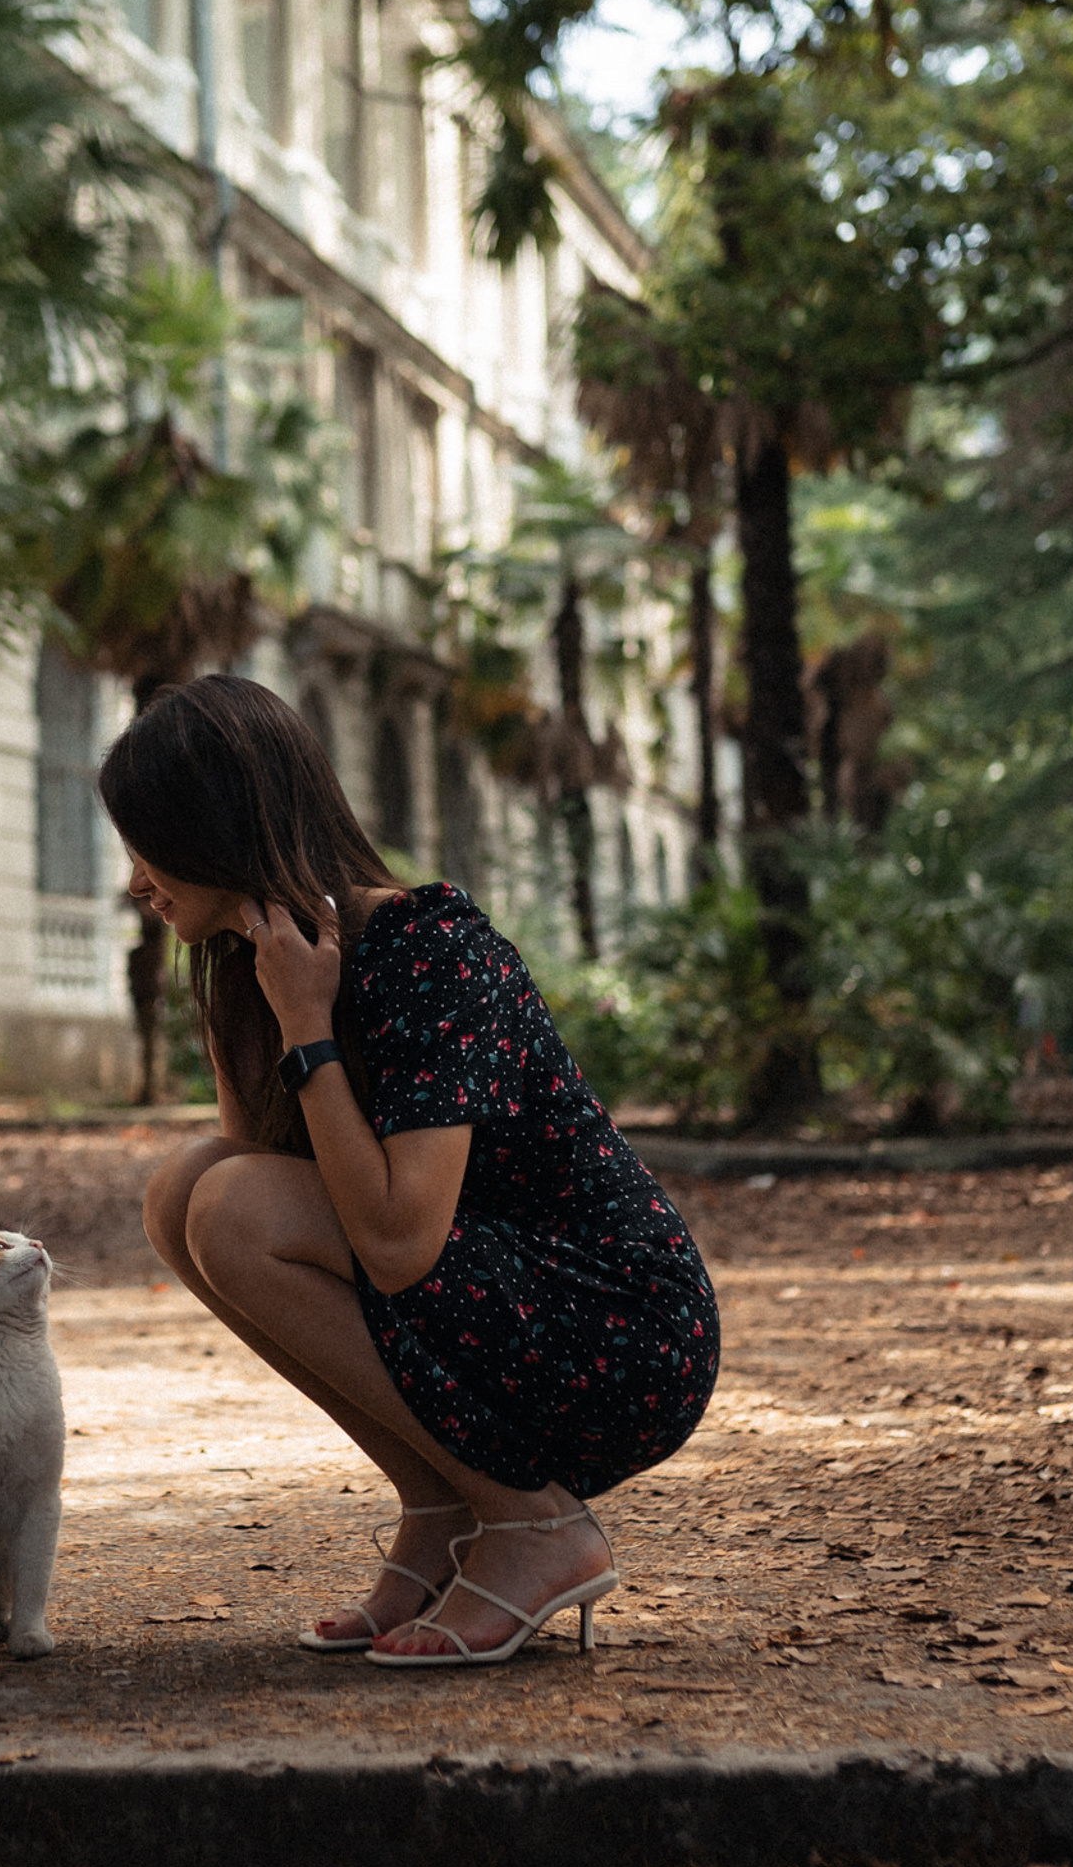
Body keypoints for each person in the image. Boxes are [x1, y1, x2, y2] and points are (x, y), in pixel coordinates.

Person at [102, 674, 720, 1665]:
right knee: (185, 1191)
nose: (133, 877)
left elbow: (396, 1243)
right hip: (486, 1309)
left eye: (149, 840)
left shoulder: (428, 945)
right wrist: (262, 1019)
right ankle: (442, 1505)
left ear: (216, 826)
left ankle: (532, 1523)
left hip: (617, 1324)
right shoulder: (255, 968)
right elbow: (296, 1199)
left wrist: (308, 1026)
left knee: (227, 1206)